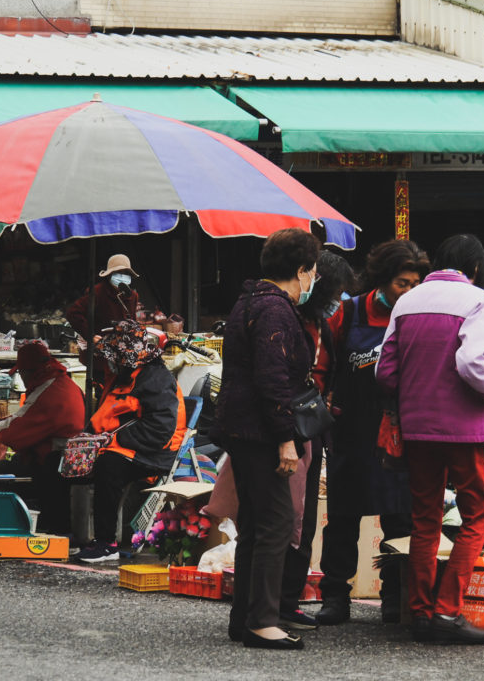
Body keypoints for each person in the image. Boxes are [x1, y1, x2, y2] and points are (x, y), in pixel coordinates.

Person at [375, 233, 484, 645]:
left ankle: (420, 614)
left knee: (425, 520)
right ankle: (448, 612)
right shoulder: (479, 300)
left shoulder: (408, 301)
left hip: (417, 427)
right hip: (464, 428)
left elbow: (385, 372)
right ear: (477, 268)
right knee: (475, 518)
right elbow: (472, 362)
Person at [210, 227, 320, 650]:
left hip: (242, 428)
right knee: (274, 525)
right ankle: (263, 621)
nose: (313, 281)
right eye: (312, 272)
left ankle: (246, 618)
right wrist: (285, 438)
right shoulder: (275, 309)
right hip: (260, 430)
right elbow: (272, 379)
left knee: (255, 526)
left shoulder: (250, 300)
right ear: (300, 270)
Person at [316, 238, 430, 626]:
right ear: (381, 281)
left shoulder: (419, 317)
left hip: (402, 431)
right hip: (352, 431)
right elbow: (322, 368)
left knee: (400, 518)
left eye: (416, 284)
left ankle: (394, 598)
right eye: (402, 283)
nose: (410, 292)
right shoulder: (347, 314)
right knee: (343, 518)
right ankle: (335, 596)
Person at [278, 250, 356, 631]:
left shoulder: (323, 324)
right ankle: (270, 606)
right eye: (335, 294)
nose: (338, 304)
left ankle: (287, 602)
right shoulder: (288, 319)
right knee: (285, 521)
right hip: (288, 431)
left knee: (303, 521)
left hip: (310, 429)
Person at [74, 319, 187, 564]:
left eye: (114, 355)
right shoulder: (125, 375)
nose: (110, 361)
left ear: (127, 356)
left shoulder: (155, 379)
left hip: (156, 451)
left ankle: (107, 543)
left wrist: (112, 440)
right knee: (69, 463)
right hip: (127, 444)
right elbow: (108, 413)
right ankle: (71, 534)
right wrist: (88, 438)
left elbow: (160, 431)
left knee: (109, 465)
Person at [0, 341, 85, 535]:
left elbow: (20, 427)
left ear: (28, 371)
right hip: (64, 453)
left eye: (21, 373)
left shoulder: (49, 390)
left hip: (58, 457)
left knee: (2, 471)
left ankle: (17, 521)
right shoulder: (61, 381)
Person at [66, 253, 140, 351]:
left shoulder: (132, 296)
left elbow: (132, 321)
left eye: (125, 273)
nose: (122, 276)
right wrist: (90, 336)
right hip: (100, 349)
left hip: (124, 350)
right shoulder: (97, 292)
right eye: (118, 272)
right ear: (110, 274)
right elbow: (73, 313)